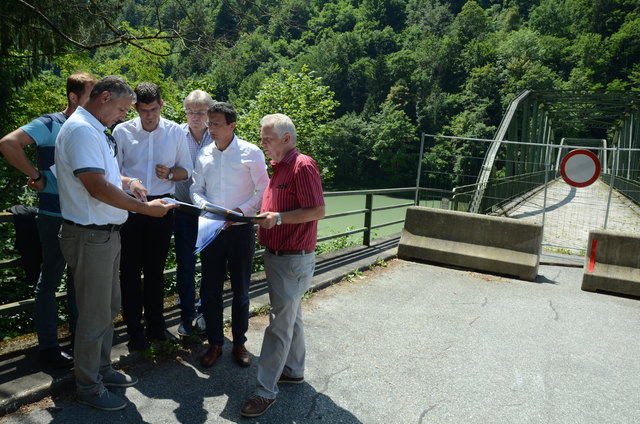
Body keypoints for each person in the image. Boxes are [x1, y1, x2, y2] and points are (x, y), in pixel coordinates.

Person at [55, 75, 176, 411]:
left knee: (108, 308)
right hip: (90, 235)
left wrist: (129, 180)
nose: (123, 116)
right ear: (104, 97)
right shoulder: (81, 130)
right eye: (123, 109)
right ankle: (88, 386)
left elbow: (104, 175)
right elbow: (95, 186)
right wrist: (145, 208)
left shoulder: (92, 128)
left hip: (105, 235)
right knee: (94, 315)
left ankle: (102, 369)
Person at [0, 72, 97, 368]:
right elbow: (8, 143)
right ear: (73, 97)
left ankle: (79, 342)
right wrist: (36, 175)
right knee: (50, 282)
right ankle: (49, 348)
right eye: (91, 95)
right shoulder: (49, 124)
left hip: (81, 217)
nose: (96, 101)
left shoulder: (91, 127)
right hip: (55, 216)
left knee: (79, 284)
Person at [240, 114, 325, 418]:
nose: (262, 143)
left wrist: (278, 218)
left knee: (278, 324)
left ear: (286, 138)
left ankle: (265, 391)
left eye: (267, 138)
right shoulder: (279, 167)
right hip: (280, 256)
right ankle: (293, 370)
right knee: (292, 317)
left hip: (292, 257)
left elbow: (317, 210)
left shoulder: (302, 165)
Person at [112, 82, 192, 351]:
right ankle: (135, 332)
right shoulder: (121, 131)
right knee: (130, 273)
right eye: (144, 110)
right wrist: (131, 181)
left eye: (154, 109)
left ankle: (157, 328)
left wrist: (170, 174)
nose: (150, 115)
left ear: (162, 104)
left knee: (156, 272)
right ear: (135, 107)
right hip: (131, 209)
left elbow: (187, 171)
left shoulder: (175, 132)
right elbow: (111, 174)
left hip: (162, 209)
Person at [190, 102, 269, 368]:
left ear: (232, 126)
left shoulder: (251, 152)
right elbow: (196, 189)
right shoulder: (204, 154)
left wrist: (238, 212)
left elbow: (263, 191)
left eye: (216, 124)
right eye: (209, 123)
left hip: (240, 230)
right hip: (212, 229)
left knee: (241, 292)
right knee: (210, 291)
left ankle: (240, 343)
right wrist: (206, 207)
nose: (210, 128)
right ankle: (214, 343)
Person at [174, 90, 214, 337]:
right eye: (190, 111)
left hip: (211, 211)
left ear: (209, 113)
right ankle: (187, 314)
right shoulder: (176, 134)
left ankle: (205, 312)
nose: (195, 117)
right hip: (184, 209)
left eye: (200, 112)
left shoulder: (220, 134)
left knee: (211, 266)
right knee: (185, 265)